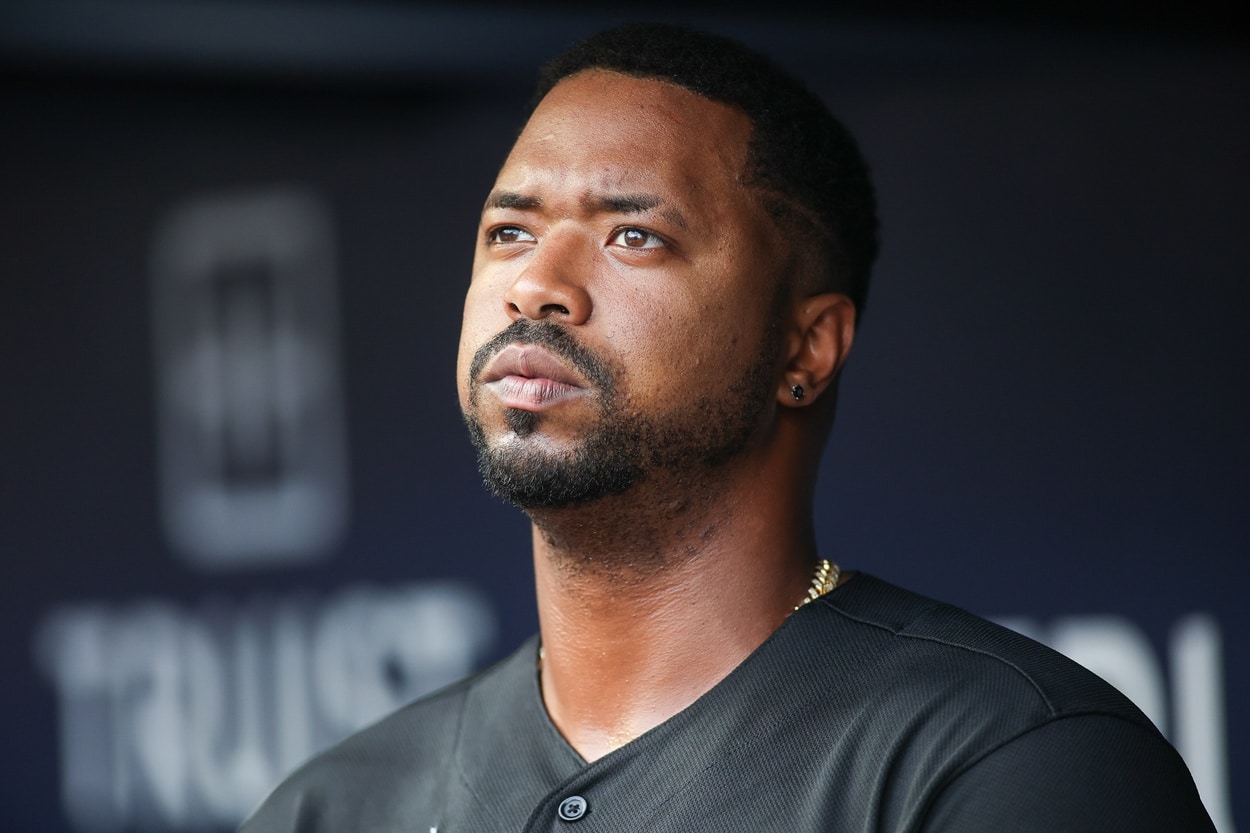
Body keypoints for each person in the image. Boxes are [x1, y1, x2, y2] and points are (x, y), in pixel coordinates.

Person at [240, 23, 1214, 833]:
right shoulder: (329, 805)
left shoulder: (1008, 764)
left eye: (633, 235)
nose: (537, 284)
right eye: (510, 232)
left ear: (806, 347)